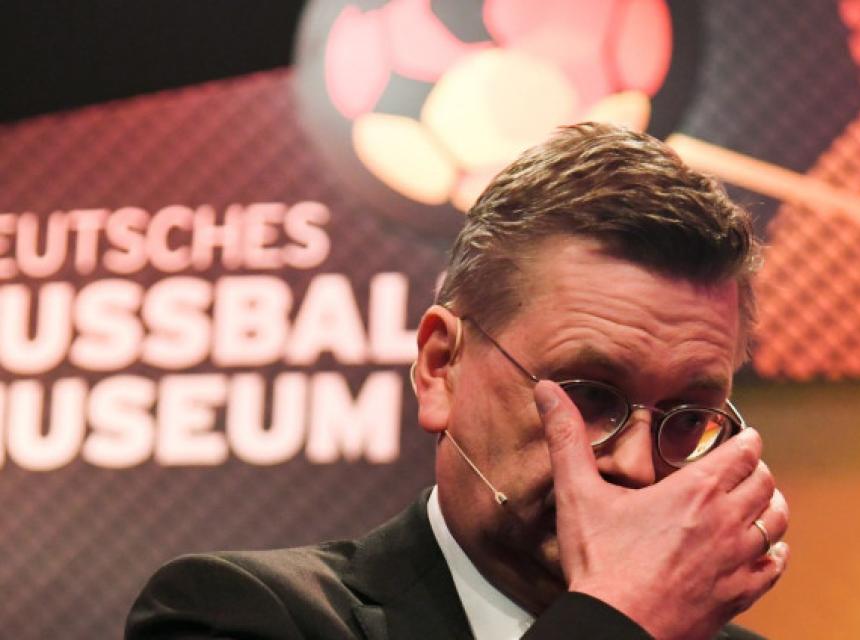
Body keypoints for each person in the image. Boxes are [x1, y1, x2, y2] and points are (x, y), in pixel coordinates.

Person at [126, 123, 789, 640]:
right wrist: (615, 617)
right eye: (588, 395)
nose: (638, 468)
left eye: (688, 418)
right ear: (441, 366)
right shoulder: (238, 614)